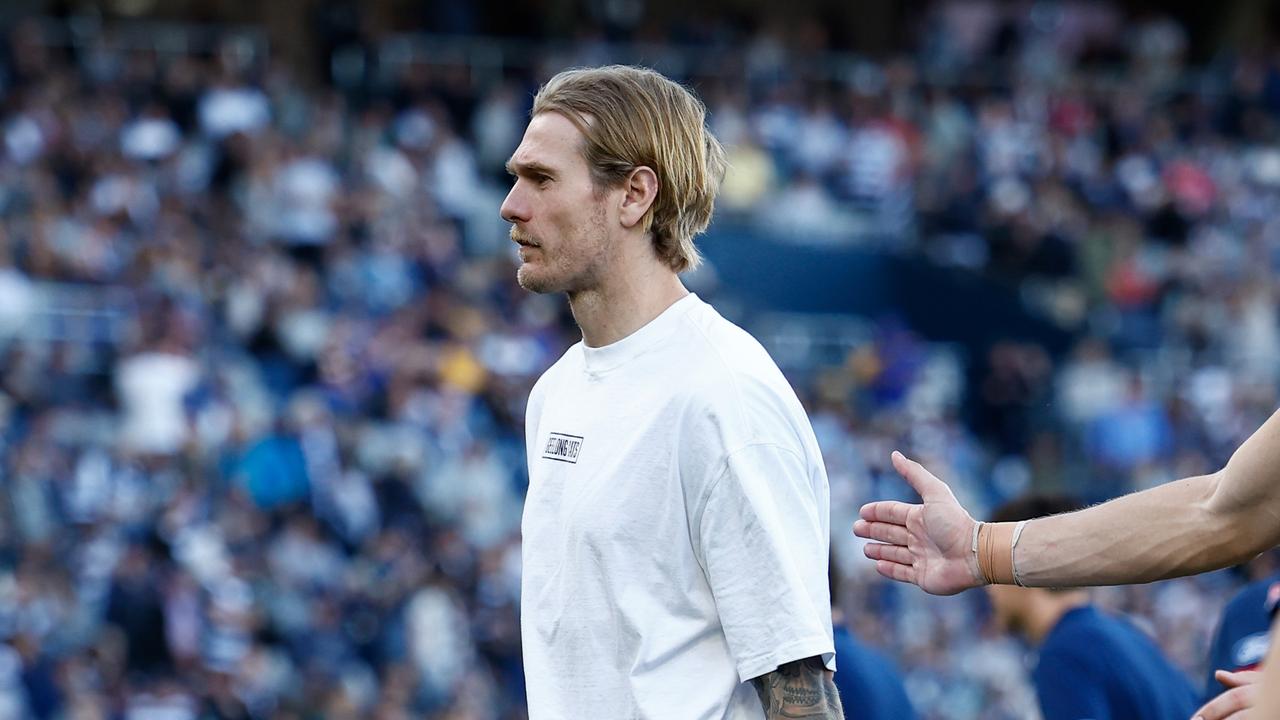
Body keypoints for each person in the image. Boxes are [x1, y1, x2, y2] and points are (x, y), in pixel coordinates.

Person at [504, 65, 842, 719]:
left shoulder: (725, 395)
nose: (512, 204)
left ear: (634, 196)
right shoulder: (554, 393)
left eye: (542, 179)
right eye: (516, 176)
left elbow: (801, 691)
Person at [852, 409, 1280, 718]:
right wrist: (981, 549)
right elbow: (1225, 511)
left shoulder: (1066, 651)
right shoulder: (1124, 638)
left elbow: (1224, 512)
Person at [984, 495, 1199, 720]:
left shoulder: (1065, 653)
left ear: (1022, 567)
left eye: (993, 569)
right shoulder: (1128, 635)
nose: (989, 588)